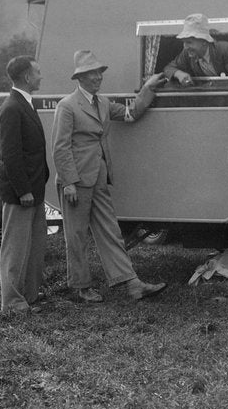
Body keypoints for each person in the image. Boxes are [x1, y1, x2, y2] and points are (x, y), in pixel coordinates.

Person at [52, 49, 168, 302]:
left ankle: (132, 284)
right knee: (77, 235)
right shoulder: (67, 106)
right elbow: (60, 147)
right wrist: (69, 182)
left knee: (111, 231)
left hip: (99, 178)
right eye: (92, 73)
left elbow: (130, 114)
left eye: (99, 72)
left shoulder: (103, 103)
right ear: (80, 77)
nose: (98, 77)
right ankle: (82, 287)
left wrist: (148, 88)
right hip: (76, 182)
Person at [0, 55, 50, 315]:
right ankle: (12, 303)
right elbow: (11, 155)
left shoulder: (24, 104)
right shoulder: (12, 108)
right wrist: (23, 190)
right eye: (37, 72)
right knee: (15, 249)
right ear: (27, 77)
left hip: (33, 189)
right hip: (22, 192)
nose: (41, 76)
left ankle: (28, 296)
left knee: (34, 246)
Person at [163, 13, 228, 86]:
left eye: (189, 42)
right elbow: (168, 68)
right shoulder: (187, 54)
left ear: (204, 41)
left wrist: (209, 86)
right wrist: (178, 74)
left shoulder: (227, 50)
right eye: (184, 42)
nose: (185, 47)